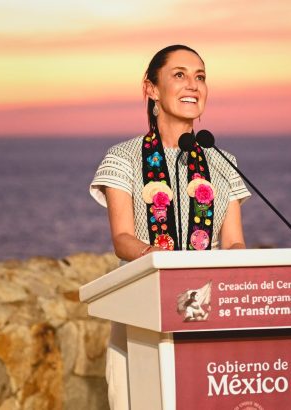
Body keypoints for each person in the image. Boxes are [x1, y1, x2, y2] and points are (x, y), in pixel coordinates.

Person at [89, 44, 251, 409]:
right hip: (143, 315)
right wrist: (155, 256)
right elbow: (122, 239)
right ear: (151, 88)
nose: (192, 85)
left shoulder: (225, 161)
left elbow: (234, 243)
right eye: (179, 75)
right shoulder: (122, 157)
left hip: (210, 317)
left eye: (200, 77)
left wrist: (241, 270)